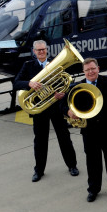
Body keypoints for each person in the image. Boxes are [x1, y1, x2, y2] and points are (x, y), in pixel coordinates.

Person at [13, 40, 78, 182]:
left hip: (56, 107)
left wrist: (62, 94)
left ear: (47, 50)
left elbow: (66, 83)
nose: (41, 52)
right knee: (40, 141)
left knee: (64, 137)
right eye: (38, 50)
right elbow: (16, 82)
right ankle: (39, 170)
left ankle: (72, 166)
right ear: (34, 51)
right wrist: (29, 83)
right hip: (39, 110)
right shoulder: (28, 65)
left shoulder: (55, 64)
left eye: (43, 49)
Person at [64, 58, 107, 202]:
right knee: (92, 162)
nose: (91, 72)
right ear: (83, 72)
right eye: (87, 70)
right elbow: (63, 104)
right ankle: (93, 189)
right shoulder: (78, 87)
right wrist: (68, 112)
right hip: (89, 131)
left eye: (93, 69)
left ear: (98, 68)